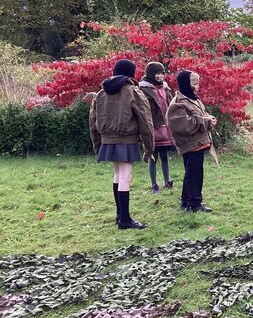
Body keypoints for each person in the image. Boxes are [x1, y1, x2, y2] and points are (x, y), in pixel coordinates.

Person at [89, 59, 154, 230]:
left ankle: (119, 215)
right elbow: (146, 122)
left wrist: (97, 146)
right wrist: (149, 148)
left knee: (117, 175)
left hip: (107, 140)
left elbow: (92, 122)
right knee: (125, 177)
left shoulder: (101, 94)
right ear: (131, 73)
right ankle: (125, 219)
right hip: (126, 139)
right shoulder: (133, 91)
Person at [166, 70, 216, 212]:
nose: (197, 87)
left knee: (191, 172)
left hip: (198, 143)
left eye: (198, 83)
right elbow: (184, 125)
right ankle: (194, 204)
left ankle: (186, 201)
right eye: (194, 83)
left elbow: (199, 115)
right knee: (194, 174)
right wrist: (205, 122)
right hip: (190, 144)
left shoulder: (192, 99)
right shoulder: (177, 103)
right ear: (186, 84)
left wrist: (209, 119)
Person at [139, 62, 174, 195]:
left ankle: (167, 182)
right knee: (153, 156)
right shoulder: (143, 89)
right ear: (151, 75)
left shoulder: (166, 88)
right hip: (152, 127)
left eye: (162, 73)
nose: (160, 76)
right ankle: (154, 185)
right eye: (157, 73)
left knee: (165, 155)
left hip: (166, 127)